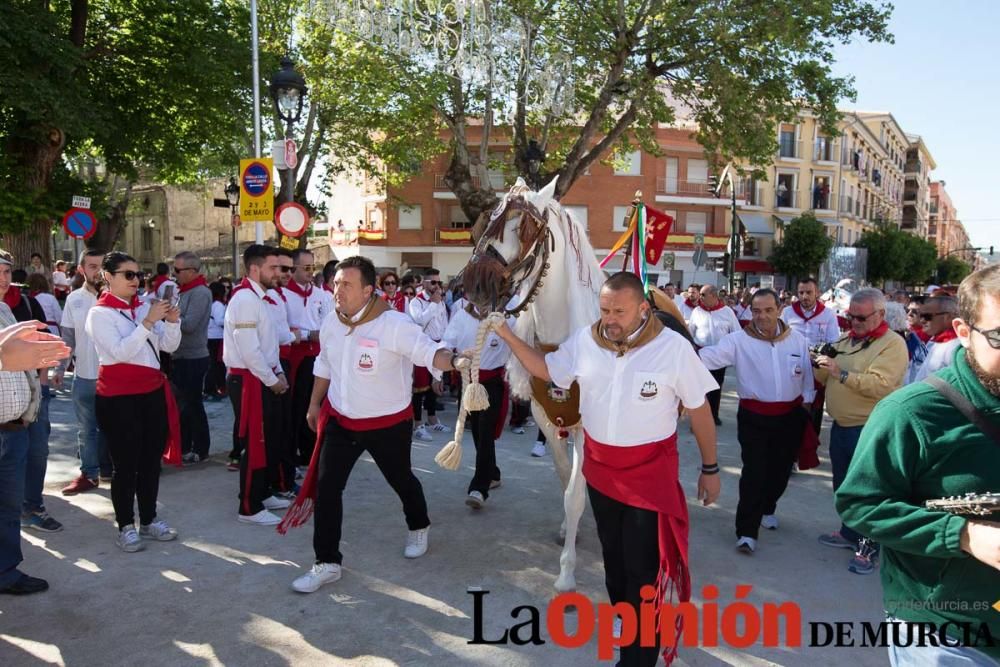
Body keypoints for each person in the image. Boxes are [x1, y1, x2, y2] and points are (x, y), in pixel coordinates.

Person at [495, 271, 720, 666]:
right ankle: (625, 618)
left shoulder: (672, 349)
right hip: (601, 472)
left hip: (650, 475)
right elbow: (548, 370)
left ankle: (637, 658)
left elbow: (699, 411)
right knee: (614, 561)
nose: (610, 318)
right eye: (604, 309)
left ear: (643, 309)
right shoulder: (586, 340)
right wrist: (509, 336)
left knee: (642, 570)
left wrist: (711, 467)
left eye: (619, 310)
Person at [836, 265, 1000, 665]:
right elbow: (860, 504)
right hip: (946, 631)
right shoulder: (910, 413)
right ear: (964, 332)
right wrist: (963, 535)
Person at [283, 256, 464, 593]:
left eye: (346, 284)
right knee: (327, 488)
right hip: (341, 420)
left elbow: (428, 353)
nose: (337, 290)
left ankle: (418, 525)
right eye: (335, 283)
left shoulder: (395, 324)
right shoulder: (332, 323)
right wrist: (313, 404)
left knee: (401, 480)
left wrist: (454, 360)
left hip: (387, 423)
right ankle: (326, 562)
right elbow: (324, 365)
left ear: (368, 290)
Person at [699, 289, 815, 553]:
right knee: (754, 472)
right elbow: (708, 358)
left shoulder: (796, 340)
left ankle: (768, 507)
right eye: (756, 311)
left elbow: (806, 375)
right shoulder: (738, 341)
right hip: (754, 417)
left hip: (790, 416)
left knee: (781, 472)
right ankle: (747, 532)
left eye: (768, 310)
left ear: (780, 309)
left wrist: (807, 405)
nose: (762, 316)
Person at [86, 252, 182, 552]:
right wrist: (148, 323)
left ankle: (149, 519)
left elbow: (169, 346)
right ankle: (126, 525)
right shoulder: (99, 313)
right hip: (118, 398)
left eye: (139, 274)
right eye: (128, 275)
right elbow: (119, 353)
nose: (136, 280)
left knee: (150, 460)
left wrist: (172, 321)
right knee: (125, 464)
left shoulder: (143, 306)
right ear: (108, 277)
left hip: (151, 392)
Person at [813, 288, 908, 575]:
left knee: (870, 492)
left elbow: (881, 385)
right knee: (844, 487)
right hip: (842, 426)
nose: (853, 322)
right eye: (850, 316)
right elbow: (822, 377)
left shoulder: (892, 344)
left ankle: (869, 547)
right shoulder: (847, 340)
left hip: (870, 428)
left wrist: (840, 372)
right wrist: (819, 362)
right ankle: (849, 532)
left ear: (880, 314)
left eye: (860, 318)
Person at [0, 313, 69, 594]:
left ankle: (5, 572)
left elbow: (25, 363)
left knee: (8, 508)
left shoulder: (4, 308)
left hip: (14, 429)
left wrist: (30, 408)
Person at [224, 245, 290, 525]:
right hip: (249, 380)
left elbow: (266, 345)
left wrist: (277, 372)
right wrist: (272, 379)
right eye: (273, 267)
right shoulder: (246, 300)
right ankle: (248, 507)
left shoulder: (259, 297)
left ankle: (263, 493)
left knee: (269, 439)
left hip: (261, 376)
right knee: (254, 442)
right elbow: (249, 350)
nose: (278, 273)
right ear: (255, 268)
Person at [0, 253, 62, 534]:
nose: (3, 279)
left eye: (7, 272)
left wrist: (42, 380)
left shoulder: (15, 306)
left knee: (36, 455)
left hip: (28, 404)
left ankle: (32, 508)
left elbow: (40, 345)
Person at [442, 298, 515, 509]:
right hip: (467, 381)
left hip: (491, 383)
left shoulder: (506, 317)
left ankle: (479, 487)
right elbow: (446, 343)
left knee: (484, 434)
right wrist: (449, 363)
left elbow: (521, 342)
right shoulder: (461, 315)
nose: (482, 296)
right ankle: (493, 473)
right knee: (476, 432)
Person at [56, 250, 114, 494]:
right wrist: (59, 368)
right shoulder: (74, 300)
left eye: (101, 266)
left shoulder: (119, 299)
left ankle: (118, 471)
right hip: (84, 376)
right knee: (86, 430)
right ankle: (89, 474)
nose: (97, 271)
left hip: (113, 378)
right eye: (92, 266)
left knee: (115, 428)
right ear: (81, 269)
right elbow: (67, 338)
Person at [283, 249, 332, 466]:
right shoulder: (283, 294)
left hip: (318, 356)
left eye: (313, 267)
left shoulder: (322, 295)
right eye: (306, 268)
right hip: (295, 357)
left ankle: (310, 453)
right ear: (293, 269)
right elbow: (283, 329)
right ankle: (291, 453)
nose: (311, 272)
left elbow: (330, 323)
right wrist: (305, 334)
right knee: (296, 406)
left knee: (316, 404)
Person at [781, 277, 841, 434]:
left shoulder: (828, 314)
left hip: (816, 369)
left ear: (817, 293)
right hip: (791, 368)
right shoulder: (787, 313)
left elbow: (834, 341)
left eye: (809, 292)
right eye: (801, 292)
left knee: (814, 407)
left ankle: (811, 442)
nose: (804, 296)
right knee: (790, 405)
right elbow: (779, 338)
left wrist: (819, 354)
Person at [169, 252, 213, 465]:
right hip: (180, 355)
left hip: (194, 356)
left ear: (192, 272)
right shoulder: (184, 291)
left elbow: (189, 324)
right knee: (182, 405)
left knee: (192, 404)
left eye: (177, 270)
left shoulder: (200, 292)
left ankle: (200, 448)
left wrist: (168, 317)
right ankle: (186, 446)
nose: (174, 274)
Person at [688, 284, 741, 425]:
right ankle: (700, 419)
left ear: (713, 295)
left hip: (719, 356)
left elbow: (736, 333)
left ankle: (714, 415)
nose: (701, 297)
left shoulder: (727, 312)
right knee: (700, 388)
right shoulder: (697, 311)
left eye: (704, 295)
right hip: (701, 355)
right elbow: (690, 332)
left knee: (716, 386)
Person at [408, 268, 450, 440]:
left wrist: (445, 345)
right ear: (423, 283)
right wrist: (433, 303)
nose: (436, 286)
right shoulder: (416, 302)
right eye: (433, 282)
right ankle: (418, 424)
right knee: (420, 387)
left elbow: (444, 325)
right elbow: (419, 321)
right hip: (422, 347)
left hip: (437, 346)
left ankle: (433, 419)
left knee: (434, 385)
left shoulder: (440, 301)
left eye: (438, 282)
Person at [910, 295, 961, 383]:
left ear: (948, 317)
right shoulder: (935, 339)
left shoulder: (956, 348)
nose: (922, 320)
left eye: (927, 316)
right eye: (920, 315)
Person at [204, 281, 227, 400]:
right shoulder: (218, 304)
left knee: (213, 364)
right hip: (216, 337)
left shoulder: (211, 303)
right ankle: (213, 389)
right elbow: (219, 321)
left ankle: (212, 389)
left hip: (211, 337)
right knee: (216, 365)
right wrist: (231, 321)